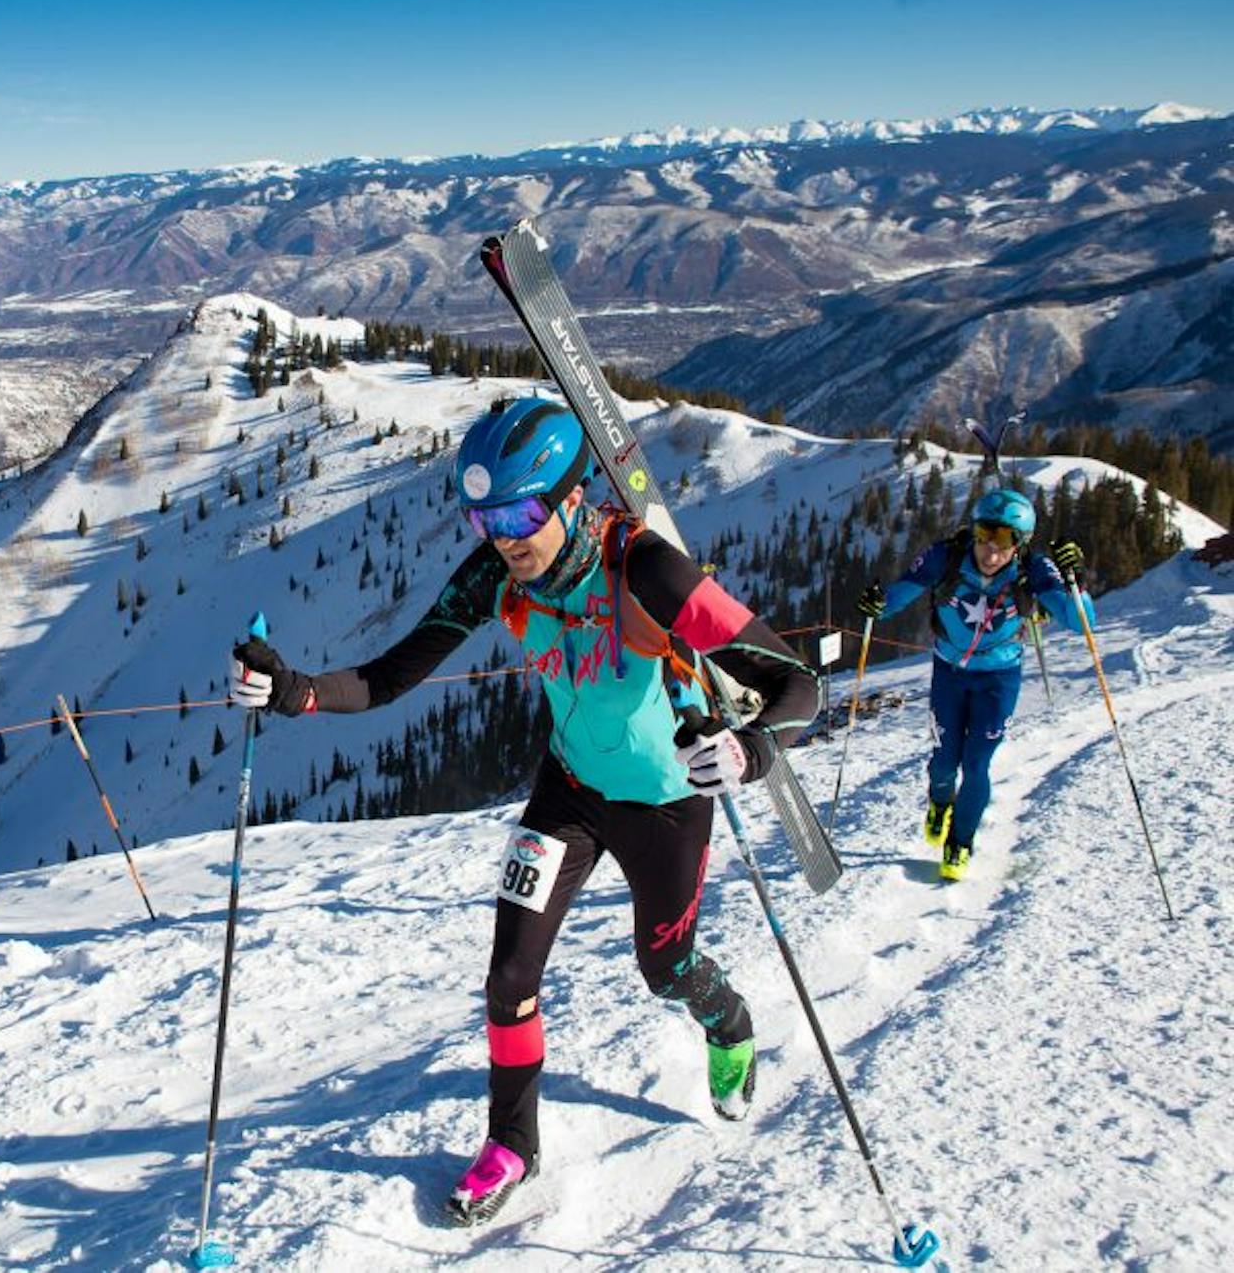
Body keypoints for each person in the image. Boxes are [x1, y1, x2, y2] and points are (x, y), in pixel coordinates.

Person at [227, 397, 820, 1226]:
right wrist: (292, 690)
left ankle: (729, 1022)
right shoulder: (498, 575)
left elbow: (796, 683)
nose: (503, 536)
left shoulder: (647, 569)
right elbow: (391, 675)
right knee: (509, 977)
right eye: (484, 518)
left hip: (666, 802)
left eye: (518, 513)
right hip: (570, 790)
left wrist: (750, 752)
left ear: (572, 498)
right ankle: (512, 1144)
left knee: (665, 970)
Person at [854, 487, 1089, 882]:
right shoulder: (947, 557)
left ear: (1020, 543)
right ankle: (940, 802)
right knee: (945, 758)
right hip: (949, 672)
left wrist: (1074, 581)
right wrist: (878, 603)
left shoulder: (1034, 570)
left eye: (1004, 540)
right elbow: (903, 592)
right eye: (984, 534)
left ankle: (960, 841)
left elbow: (1083, 623)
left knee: (976, 764)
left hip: (998, 679)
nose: (990, 550)